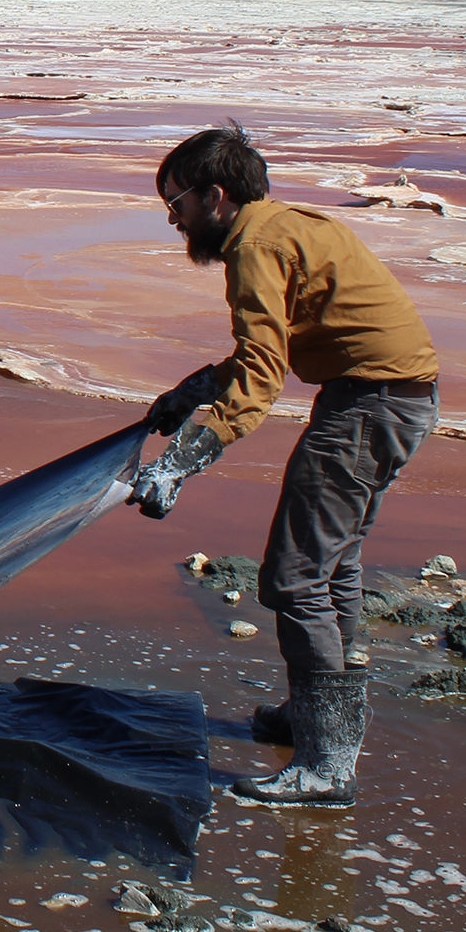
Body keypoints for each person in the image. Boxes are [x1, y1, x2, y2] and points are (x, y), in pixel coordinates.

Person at [131, 122, 438, 805]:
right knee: (334, 566)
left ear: (214, 197)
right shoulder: (283, 226)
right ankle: (315, 719)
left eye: (176, 203)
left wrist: (182, 460)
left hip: (370, 406)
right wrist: (196, 388)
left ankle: (327, 764)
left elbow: (263, 379)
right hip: (390, 396)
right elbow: (260, 355)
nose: (174, 220)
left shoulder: (255, 245)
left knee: (296, 578)